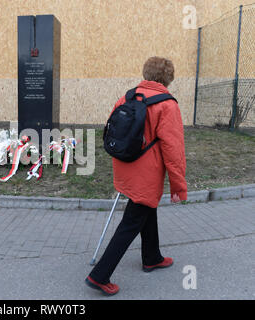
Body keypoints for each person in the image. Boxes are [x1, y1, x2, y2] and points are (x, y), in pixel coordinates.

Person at [85, 56, 187, 296]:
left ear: (146, 73)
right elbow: (174, 149)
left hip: (124, 164)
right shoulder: (167, 105)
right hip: (146, 172)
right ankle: (99, 276)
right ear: (168, 78)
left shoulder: (128, 97)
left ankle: (152, 257)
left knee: (146, 207)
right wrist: (178, 186)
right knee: (133, 220)